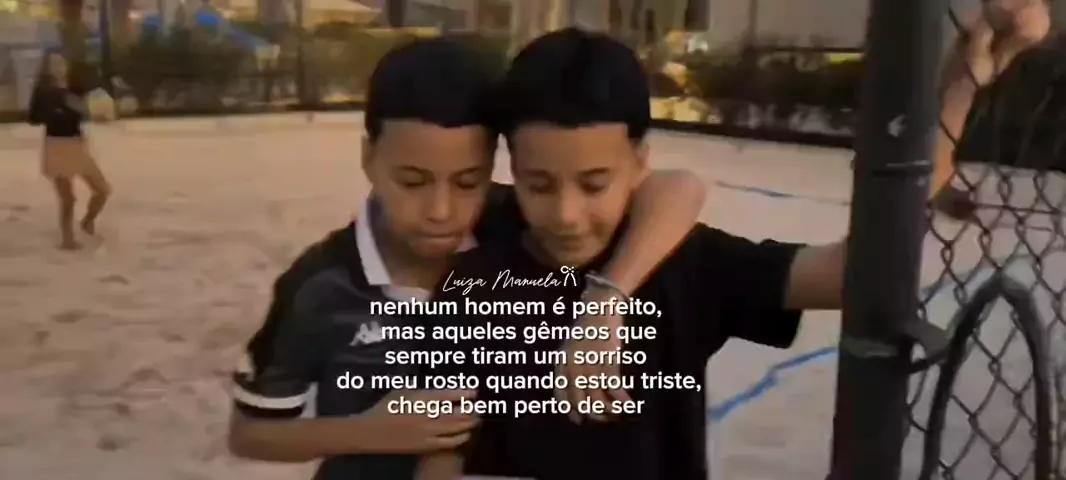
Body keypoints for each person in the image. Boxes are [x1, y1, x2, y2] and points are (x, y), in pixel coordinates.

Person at [415, 5, 1049, 476]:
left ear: (639, 163)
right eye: (539, 184)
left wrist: (959, 90)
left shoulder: (687, 261)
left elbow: (853, 270)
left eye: (595, 183)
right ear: (511, 170)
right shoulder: (476, 259)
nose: (567, 214)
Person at [225, 37, 707, 480]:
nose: (441, 210)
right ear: (369, 158)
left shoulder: (521, 223)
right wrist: (370, 432)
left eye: (467, 181)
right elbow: (249, 434)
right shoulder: (319, 284)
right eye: (412, 181)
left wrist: (606, 301)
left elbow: (678, 187)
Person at [27, 51, 111, 250]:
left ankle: (88, 220)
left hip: (77, 144)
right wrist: (57, 108)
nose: (59, 67)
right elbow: (33, 118)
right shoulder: (44, 92)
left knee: (102, 190)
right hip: (56, 145)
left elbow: (87, 112)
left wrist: (86, 110)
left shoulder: (75, 88)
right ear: (47, 68)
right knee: (68, 198)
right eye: (54, 64)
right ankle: (67, 239)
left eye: (61, 63)